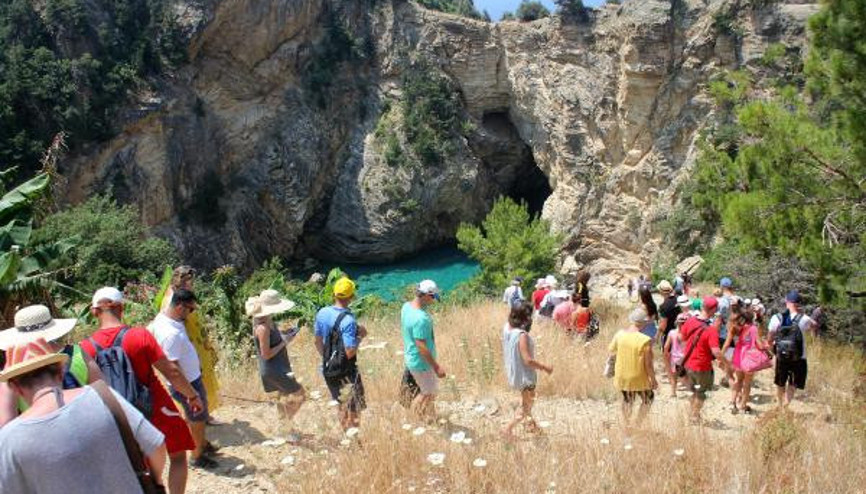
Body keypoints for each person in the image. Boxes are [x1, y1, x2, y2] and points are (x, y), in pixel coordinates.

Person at [0, 337, 167, 493]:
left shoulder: (8, 440)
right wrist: (154, 480)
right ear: (60, 371)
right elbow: (156, 445)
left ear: (15, 387)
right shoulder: (103, 397)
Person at [81, 287, 199, 494]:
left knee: (137, 466)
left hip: (117, 416)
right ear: (121, 308)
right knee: (178, 455)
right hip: (156, 407)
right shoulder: (139, 335)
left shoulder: (85, 348)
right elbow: (172, 371)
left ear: (94, 312)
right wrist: (192, 396)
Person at [0, 304, 104, 427]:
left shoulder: (13, 370)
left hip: (39, 436)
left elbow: (6, 423)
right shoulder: (77, 353)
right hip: (84, 427)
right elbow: (104, 395)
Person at [149, 289, 217, 470]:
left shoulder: (168, 319)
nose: (191, 313)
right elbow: (173, 368)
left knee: (199, 416)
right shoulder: (169, 333)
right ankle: (197, 456)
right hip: (188, 383)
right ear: (179, 307)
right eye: (190, 309)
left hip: (192, 379)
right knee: (197, 418)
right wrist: (191, 394)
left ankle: (202, 444)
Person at [158, 266, 221, 423]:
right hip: (186, 344)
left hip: (195, 341)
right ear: (181, 280)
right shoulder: (172, 300)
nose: (191, 286)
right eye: (189, 282)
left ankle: (204, 415)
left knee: (204, 379)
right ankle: (197, 420)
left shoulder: (186, 297)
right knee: (193, 382)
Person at [248, 289, 306, 431]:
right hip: (274, 368)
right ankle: (284, 426)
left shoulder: (266, 320)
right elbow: (266, 354)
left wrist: (284, 335)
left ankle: (287, 429)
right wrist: (285, 341)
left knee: (284, 397)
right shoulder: (262, 327)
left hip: (278, 365)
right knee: (300, 395)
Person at [314, 277, 367, 430]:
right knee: (354, 408)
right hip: (346, 371)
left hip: (327, 368)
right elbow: (350, 352)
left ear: (334, 294)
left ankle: (346, 435)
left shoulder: (322, 313)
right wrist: (360, 337)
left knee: (340, 404)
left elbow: (317, 341)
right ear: (351, 297)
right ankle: (354, 440)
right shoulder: (348, 321)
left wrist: (329, 359)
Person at [501, 302, 552, 439]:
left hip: (516, 374)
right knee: (527, 405)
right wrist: (545, 367)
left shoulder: (508, 329)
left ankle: (531, 425)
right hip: (525, 376)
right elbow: (528, 360)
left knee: (528, 402)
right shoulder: (522, 335)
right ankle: (507, 429)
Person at [401, 280, 444, 421]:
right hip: (422, 363)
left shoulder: (406, 307)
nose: (433, 301)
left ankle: (431, 416)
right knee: (429, 392)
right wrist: (436, 367)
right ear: (426, 295)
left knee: (426, 390)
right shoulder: (421, 319)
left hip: (411, 358)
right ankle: (415, 418)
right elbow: (421, 346)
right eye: (433, 297)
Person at [608, 307, 657, 426]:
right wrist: (653, 379)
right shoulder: (645, 340)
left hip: (622, 375)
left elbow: (611, 351)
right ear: (643, 323)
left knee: (627, 399)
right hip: (638, 376)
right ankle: (637, 423)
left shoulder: (619, 335)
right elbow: (648, 365)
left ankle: (627, 423)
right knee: (648, 398)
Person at [680, 297, 724, 423]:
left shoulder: (689, 321)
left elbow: (681, 338)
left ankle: (693, 413)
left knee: (692, 390)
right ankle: (694, 416)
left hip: (688, 363)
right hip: (702, 366)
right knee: (701, 392)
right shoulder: (711, 330)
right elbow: (716, 351)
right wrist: (726, 363)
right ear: (714, 309)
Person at [768, 290, 816, 408]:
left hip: (781, 355)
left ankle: (779, 405)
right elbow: (814, 325)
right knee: (794, 382)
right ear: (798, 303)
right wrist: (803, 313)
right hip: (799, 356)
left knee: (780, 381)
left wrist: (771, 350)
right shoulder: (804, 319)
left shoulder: (777, 317)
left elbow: (770, 336)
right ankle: (786, 403)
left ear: (786, 301)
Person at [723, 311, 766, 414]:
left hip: (738, 356)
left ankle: (732, 402)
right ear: (752, 319)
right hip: (750, 358)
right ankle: (743, 406)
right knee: (747, 383)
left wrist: (721, 356)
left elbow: (727, 343)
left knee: (739, 380)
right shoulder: (753, 328)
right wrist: (765, 347)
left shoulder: (738, 328)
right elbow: (759, 345)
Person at [664, 311, 690, 397]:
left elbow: (666, 347)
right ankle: (691, 391)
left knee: (673, 376)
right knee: (687, 376)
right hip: (686, 358)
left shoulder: (672, 333)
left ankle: (673, 392)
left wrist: (666, 355)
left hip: (675, 358)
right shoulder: (689, 333)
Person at [716, 277, 737, 387]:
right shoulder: (738, 299)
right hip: (737, 333)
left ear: (722, 286)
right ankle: (729, 377)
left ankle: (729, 378)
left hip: (724, 334)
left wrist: (714, 333)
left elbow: (719, 321)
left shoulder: (722, 302)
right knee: (731, 358)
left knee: (722, 359)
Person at [656, 280, 680, 348]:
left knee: (667, 355)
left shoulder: (663, 306)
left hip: (668, 335)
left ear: (661, 292)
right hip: (678, 332)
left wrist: (657, 336)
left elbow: (663, 325)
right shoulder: (676, 300)